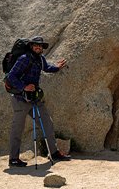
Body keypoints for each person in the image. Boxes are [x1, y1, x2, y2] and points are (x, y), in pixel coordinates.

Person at [5, 35, 70, 167]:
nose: (38, 47)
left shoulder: (40, 59)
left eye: (40, 45)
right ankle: (13, 159)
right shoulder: (24, 59)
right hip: (20, 99)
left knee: (47, 123)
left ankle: (54, 152)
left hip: (34, 98)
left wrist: (57, 67)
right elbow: (11, 77)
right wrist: (24, 87)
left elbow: (46, 68)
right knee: (17, 129)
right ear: (31, 46)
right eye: (35, 45)